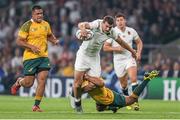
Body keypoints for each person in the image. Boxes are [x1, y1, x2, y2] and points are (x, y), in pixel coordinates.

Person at [72, 15, 137, 113]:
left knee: (96, 84)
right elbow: (81, 24)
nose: (108, 29)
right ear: (102, 23)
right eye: (106, 26)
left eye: (110, 27)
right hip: (83, 56)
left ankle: (77, 93)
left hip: (94, 58)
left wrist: (132, 51)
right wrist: (83, 30)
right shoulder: (96, 24)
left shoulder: (111, 32)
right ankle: (77, 102)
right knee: (77, 84)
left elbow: (122, 42)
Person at [11, 5, 59, 112]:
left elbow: (49, 35)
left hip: (43, 57)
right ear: (33, 14)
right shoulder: (27, 25)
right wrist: (31, 47)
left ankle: (36, 106)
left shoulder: (46, 24)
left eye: (41, 13)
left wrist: (54, 40)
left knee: (42, 80)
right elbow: (19, 41)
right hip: (30, 58)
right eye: (37, 14)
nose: (40, 15)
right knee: (29, 83)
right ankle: (19, 82)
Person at [103, 13, 143, 110]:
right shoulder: (112, 32)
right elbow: (105, 47)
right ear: (115, 22)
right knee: (124, 85)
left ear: (125, 21)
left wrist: (139, 53)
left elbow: (139, 42)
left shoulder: (131, 31)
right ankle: (126, 99)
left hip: (129, 58)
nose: (120, 22)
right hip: (118, 62)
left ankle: (135, 102)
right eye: (118, 20)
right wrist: (116, 48)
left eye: (121, 20)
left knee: (133, 79)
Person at [81, 70, 159, 113]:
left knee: (132, 99)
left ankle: (147, 79)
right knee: (99, 109)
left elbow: (98, 84)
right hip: (101, 99)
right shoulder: (82, 80)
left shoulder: (95, 78)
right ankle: (114, 107)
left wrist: (85, 85)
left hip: (110, 98)